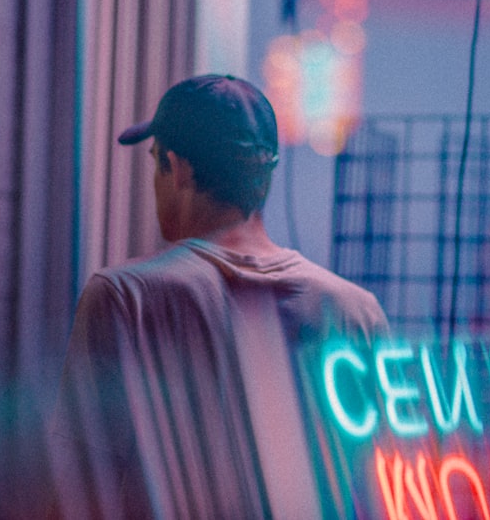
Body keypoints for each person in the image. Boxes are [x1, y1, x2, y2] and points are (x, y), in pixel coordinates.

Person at [50, 74, 387, 519]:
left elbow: (78, 485)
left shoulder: (124, 298)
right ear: (265, 174)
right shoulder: (356, 311)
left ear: (180, 168)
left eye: (156, 162)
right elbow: (373, 485)